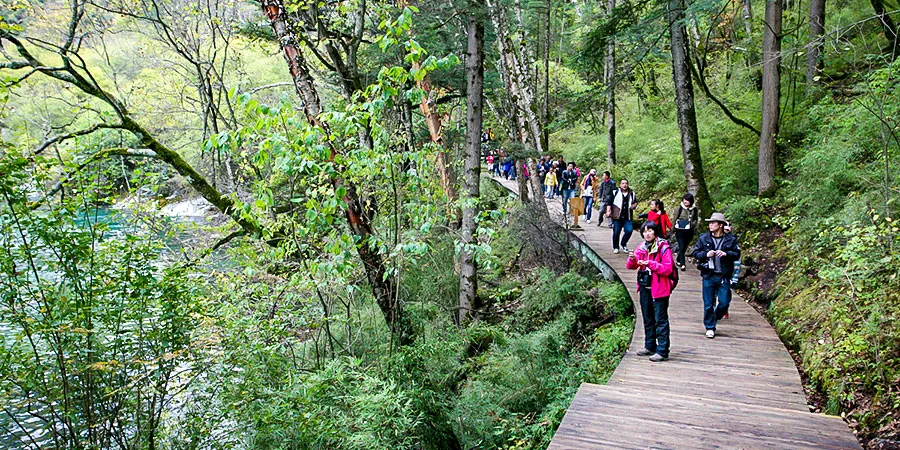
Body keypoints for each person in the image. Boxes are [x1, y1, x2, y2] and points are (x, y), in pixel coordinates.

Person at [625, 221, 674, 362]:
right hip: (645, 287)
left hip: (660, 288)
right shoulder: (642, 247)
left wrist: (650, 264)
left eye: (650, 231)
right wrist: (632, 259)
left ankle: (663, 350)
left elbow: (667, 269)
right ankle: (650, 345)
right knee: (648, 318)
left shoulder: (664, 247)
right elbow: (631, 266)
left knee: (660, 320)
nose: (647, 234)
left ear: (655, 231)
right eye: (644, 231)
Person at [692, 212, 741, 338]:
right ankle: (710, 327)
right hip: (709, 274)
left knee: (724, 302)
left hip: (724, 275)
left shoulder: (731, 239)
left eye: (713, 223)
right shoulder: (704, 238)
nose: (710, 225)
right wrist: (706, 254)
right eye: (710, 223)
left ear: (720, 225)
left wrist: (726, 254)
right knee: (708, 303)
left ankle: (714, 317)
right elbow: (696, 253)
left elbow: (737, 254)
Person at [607, 178, 637, 254]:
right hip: (617, 216)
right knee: (616, 232)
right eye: (623, 183)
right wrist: (608, 211)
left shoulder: (632, 193)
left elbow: (635, 202)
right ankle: (616, 247)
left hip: (628, 215)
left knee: (629, 230)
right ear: (620, 185)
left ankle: (623, 243)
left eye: (626, 183)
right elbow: (609, 203)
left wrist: (634, 205)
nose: (624, 185)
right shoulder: (615, 192)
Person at [672, 193, 700, 271]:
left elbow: (696, 219)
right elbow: (674, 219)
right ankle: (683, 264)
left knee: (684, 247)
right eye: (685, 200)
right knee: (681, 246)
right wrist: (673, 229)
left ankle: (678, 259)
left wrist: (693, 224)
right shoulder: (679, 208)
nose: (685, 202)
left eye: (687, 200)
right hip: (680, 231)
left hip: (689, 231)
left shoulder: (694, 209)